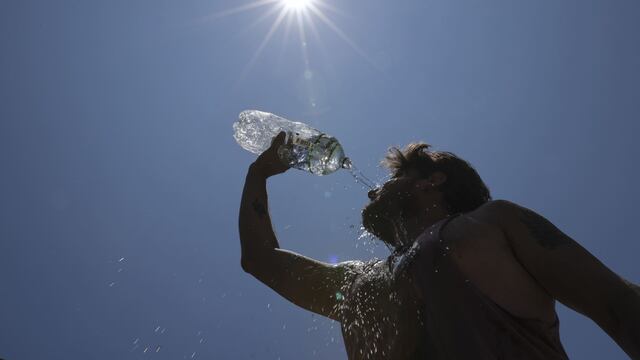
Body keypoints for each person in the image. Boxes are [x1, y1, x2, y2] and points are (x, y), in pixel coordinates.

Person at [239, 132, 640, 359]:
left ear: (433, 181)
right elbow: (261, 261)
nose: (372, 192)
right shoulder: (357, 283)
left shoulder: (492, 223)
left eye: (394, 179)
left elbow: (616, 304)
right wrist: (259, 173)